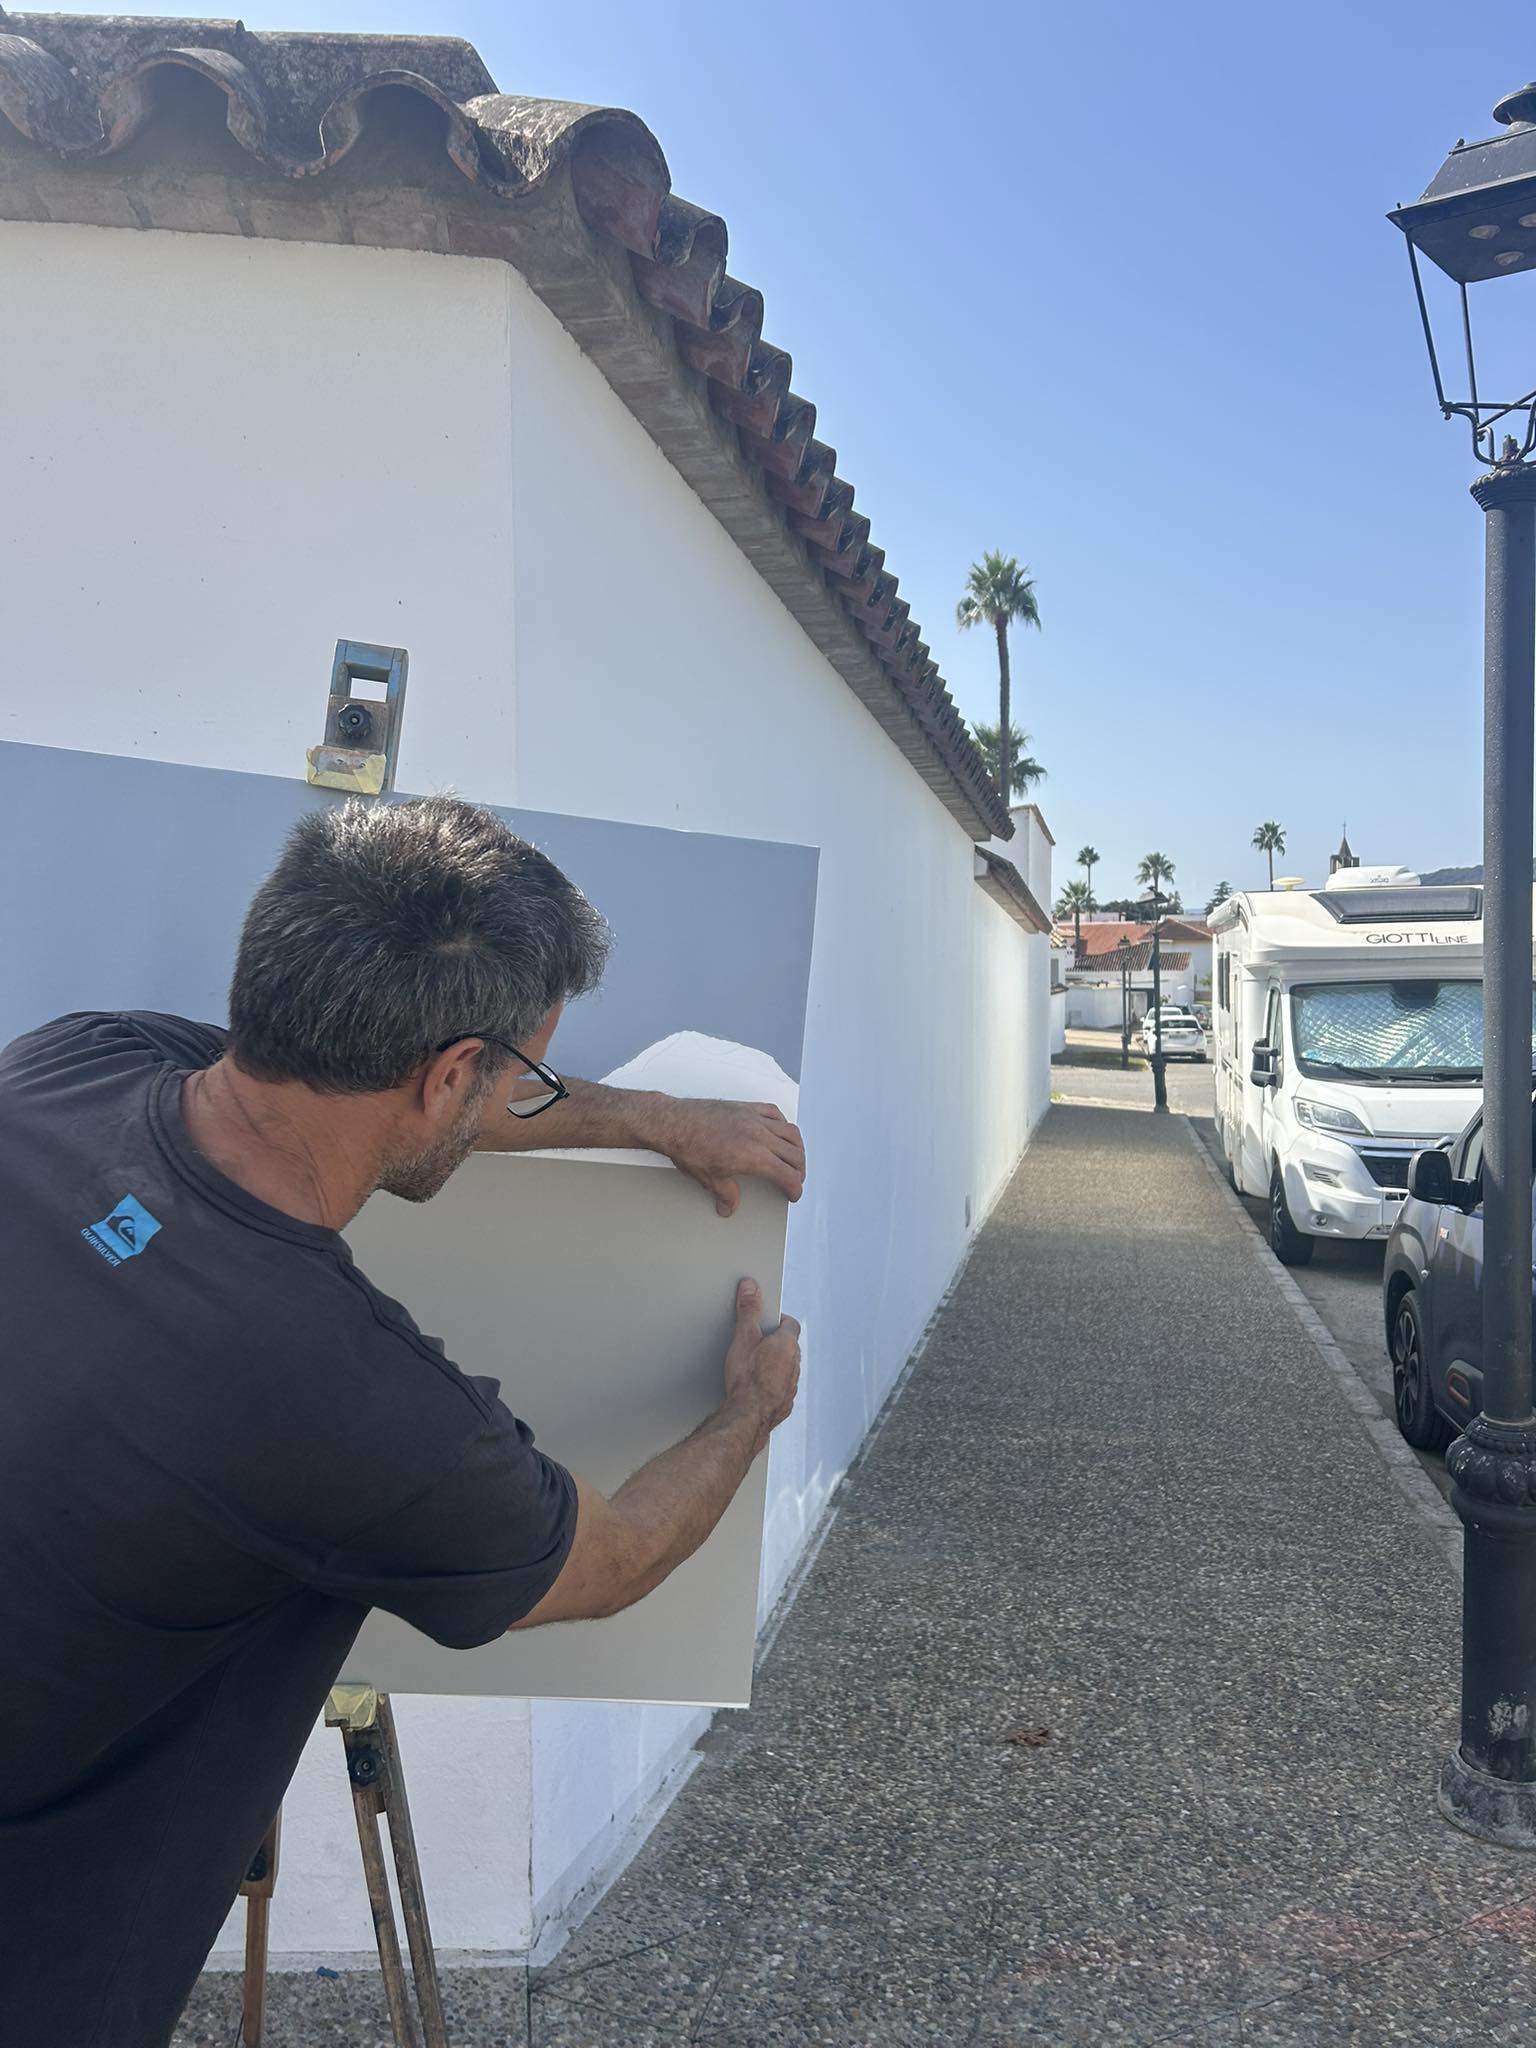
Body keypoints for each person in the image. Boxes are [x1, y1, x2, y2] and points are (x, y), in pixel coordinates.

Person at [0, 795, 805, 2048]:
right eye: (521, 1069)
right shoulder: (349, 1404)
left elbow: (359, 1096)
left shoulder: (75, 1061)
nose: (517, 1092)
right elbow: (613, 1556)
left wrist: (648, 1117)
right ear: (447, 1077)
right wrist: (748, 1412)